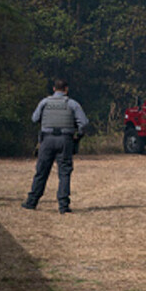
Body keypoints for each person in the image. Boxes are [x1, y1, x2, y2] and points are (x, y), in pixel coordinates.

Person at [22, 79, 89, 214]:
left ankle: (31, 202)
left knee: (41, 171)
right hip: (65, 140)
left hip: (47, 140)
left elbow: (34, 118)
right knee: (64, 173)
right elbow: (84, 123)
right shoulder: (72, 104)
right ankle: (63, 206)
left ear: (54, 89)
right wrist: (78, 136)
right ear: (66, 89)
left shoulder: (45, 102)